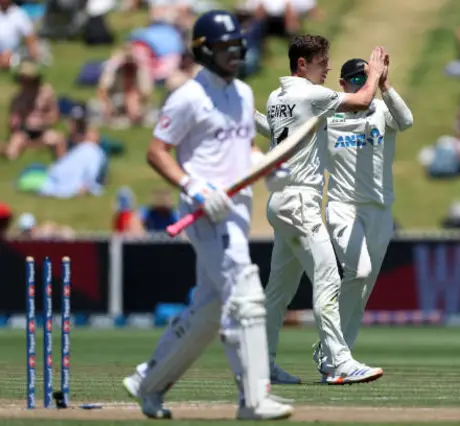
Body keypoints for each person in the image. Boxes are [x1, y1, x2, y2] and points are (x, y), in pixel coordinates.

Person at [120, 10, 294, 421]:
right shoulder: (187, 97)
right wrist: (193, 186)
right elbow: (156, 151)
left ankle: (148, 384)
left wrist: (268, 166)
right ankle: (253, 400)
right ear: (203, 51)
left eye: (236, 46)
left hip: (236, 207)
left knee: (210, 309)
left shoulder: (245, 95)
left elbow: (242, 149)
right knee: (245, 292)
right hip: (203, 211)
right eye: (223, 47)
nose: (232, 53)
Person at [259, 34, 388, 385]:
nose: (328, 68)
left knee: (278, 292)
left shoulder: (275, 97)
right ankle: (339, 362)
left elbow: (279, 133)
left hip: (279, 201)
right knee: (329, 278)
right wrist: (374, 72)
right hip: (301, 201)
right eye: (322, 62)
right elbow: (362, 101)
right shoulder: (309, 93)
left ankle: (262, 364)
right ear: (302, 64)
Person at [309, 57, 413, 381]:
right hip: (341, 205)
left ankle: (333, 355)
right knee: (360, 269)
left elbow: (406, 121)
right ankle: (334, 355)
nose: (359, 85)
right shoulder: (329, 114)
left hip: (379, 209)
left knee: (363, 285)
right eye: (354, 80)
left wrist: (384, 85)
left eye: (364, 79)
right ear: (342, 85)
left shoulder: (381, 111)